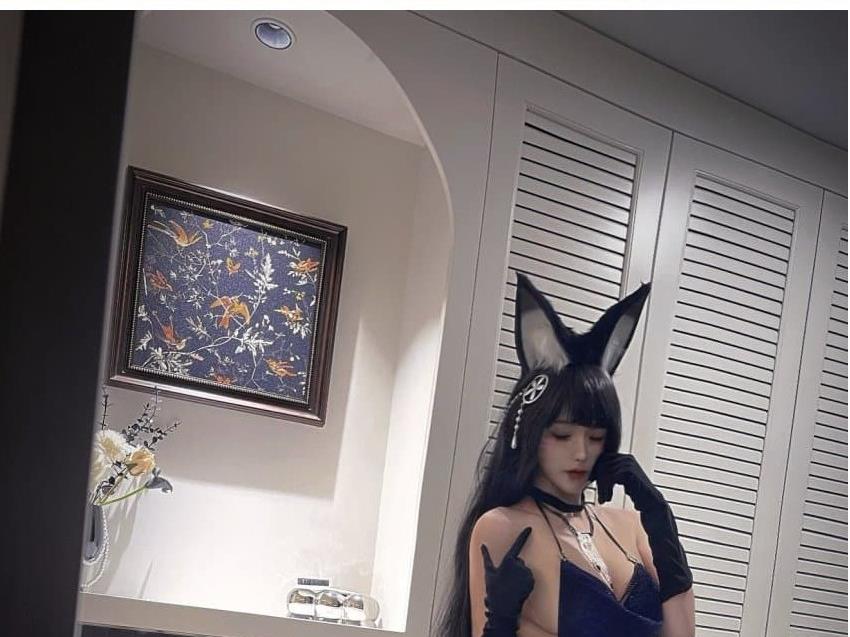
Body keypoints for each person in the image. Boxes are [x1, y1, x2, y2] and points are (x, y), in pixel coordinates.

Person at [435, 273, 695, 637]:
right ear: (531, 433)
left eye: (596, 437)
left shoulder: (632, 526)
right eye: (562, 435)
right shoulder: (503, 527)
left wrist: (659, 517)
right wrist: (501, 625)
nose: (581, 452)